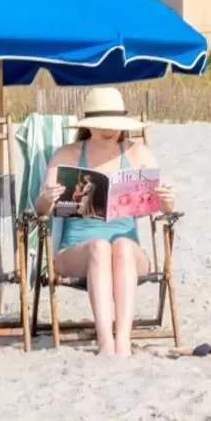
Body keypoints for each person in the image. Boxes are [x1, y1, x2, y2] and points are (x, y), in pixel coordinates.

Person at [33, 86, 175, 356]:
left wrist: (168, 199)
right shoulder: (67, 155)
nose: (109, 131)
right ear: (89, 126)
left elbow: (165, 210)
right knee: (99, 246)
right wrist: (47, 198)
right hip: (76, 250)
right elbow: (40, 211)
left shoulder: (138, 154)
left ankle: (122, 339)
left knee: (120, 245)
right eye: (101, 126)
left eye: (114, 125)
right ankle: (105, 341)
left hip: (129, 251)